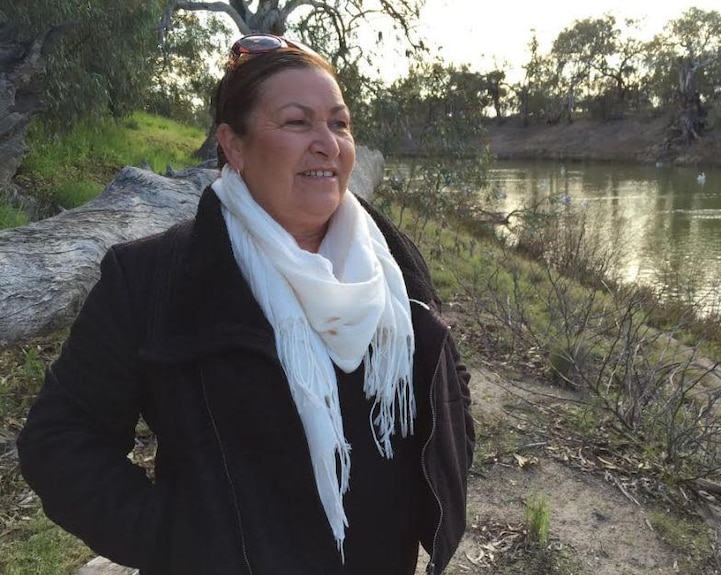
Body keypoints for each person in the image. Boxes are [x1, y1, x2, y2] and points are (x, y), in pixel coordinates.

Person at [17, 33, 474, 575]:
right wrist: (184, 546)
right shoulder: (155, 278)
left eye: (339, 122)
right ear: (234, 146)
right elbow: (61, 442)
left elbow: (449, 388)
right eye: (297, 122)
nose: (327, 142)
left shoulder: (392, 264)